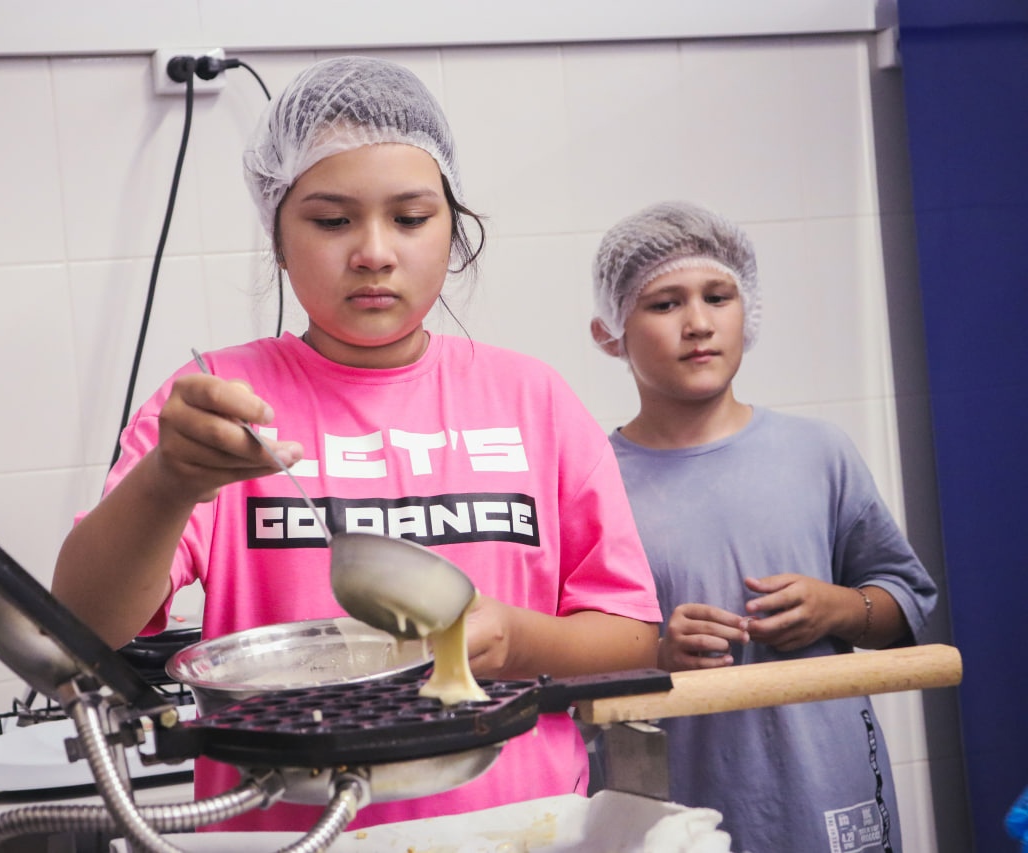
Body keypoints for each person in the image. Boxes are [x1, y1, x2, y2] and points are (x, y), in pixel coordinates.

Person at [53, 55, 662, 833]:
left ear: (453, 230)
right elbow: (80, 627)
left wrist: (511, 638)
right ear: (278, 238)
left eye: (409, 217)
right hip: (291, 836)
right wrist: (169, 478)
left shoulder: (532, 399)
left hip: (517, 830)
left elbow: (631, 639)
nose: (374, 251)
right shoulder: (215, 402)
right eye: (332, 220)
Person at [589, 200, 938, 853]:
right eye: (664, 303)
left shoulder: (817, 452)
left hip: (826, 790)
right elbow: (562, 661)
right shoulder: (592, 481)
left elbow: (906, 603)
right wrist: (655, 655)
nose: (698, 323)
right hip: (675, 809)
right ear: (610, 333)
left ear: (746, 309)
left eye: (718, 296)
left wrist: (837, 607)